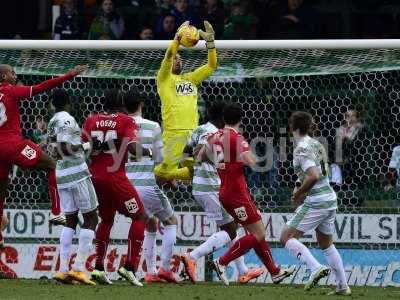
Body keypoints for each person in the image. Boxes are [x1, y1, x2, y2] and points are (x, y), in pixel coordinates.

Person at [203, 104, 295, 286]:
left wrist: (221, 163)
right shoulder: (236, 138)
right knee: (259, 233)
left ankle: (275, 272)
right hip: (236, 193)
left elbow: (201, 154)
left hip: (226, 191)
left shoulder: (215, 136)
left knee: (256, 232)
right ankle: (222, 262)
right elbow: (252, 161)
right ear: (241, 120)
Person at [0, 64, 86, 247]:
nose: (15, 75)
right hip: (12, 145)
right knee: (52, 165)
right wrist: (68, 75)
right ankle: (56, 212)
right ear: (3, 76)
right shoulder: (10, 91)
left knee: (1, 197)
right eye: (11, 72)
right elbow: (41, 87)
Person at [181, 101, 264, 284]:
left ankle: (243, 271)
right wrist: (220, 162)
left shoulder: (198, 129)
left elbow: (185, 154)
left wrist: (194, 167)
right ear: (222, 118)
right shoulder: (214, 134)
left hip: (200, 185)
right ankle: (192, 257)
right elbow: (200, 151)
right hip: (212, 185)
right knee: (231, 229)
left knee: (232, 226)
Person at [83, 89, 150, 286]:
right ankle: (129, 267)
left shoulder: (91, 120)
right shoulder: (125, 120)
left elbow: (81, 147)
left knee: (106, 220)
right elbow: (132, 147)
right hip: (115, 178)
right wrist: (148, 151)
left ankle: (97, 268)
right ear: (121, 103)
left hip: (95, 177)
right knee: (140, 217)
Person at [279, 111, 351, 295]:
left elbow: (313, 175)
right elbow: (313, 173)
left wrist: (299, 194)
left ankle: (315, 268)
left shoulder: (301, 148)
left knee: (286, 237)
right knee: (326, 244)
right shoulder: (317, 144)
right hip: (329, 199)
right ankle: (343, 286)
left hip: (317, 201)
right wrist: (299, 187)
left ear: (292, 128)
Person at [124, 90, 178, 284]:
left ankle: (151, 272)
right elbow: (160, 158)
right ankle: (165, 268)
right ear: (142, 105)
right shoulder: (153, 126)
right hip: (146, 184)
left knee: (150, 223)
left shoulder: (120, 125)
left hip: (125, 185)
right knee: (171, 221)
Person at [154, 21, 217, 182]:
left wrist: (210, 43)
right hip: (173, 133)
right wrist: (177, 38)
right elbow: (168, 56)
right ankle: (149, 178)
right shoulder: (163, 79)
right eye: (176, 58)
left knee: (197, 172)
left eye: (180, 59)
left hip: (193, 132)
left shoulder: (190, 79)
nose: (178, 60)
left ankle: (167, 178)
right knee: (162, 175)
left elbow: (211, 66)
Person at [48, 89, 98, 285]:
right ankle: (78, 269)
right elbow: (64, 147)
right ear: (68, 102)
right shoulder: (67, 119)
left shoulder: (52, 121)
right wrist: (86, 146)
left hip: (61, 175)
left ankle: (62, 270)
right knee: (92, 217)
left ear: (53, 104)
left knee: (70, 220)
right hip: (76, 173)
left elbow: (54, 148)